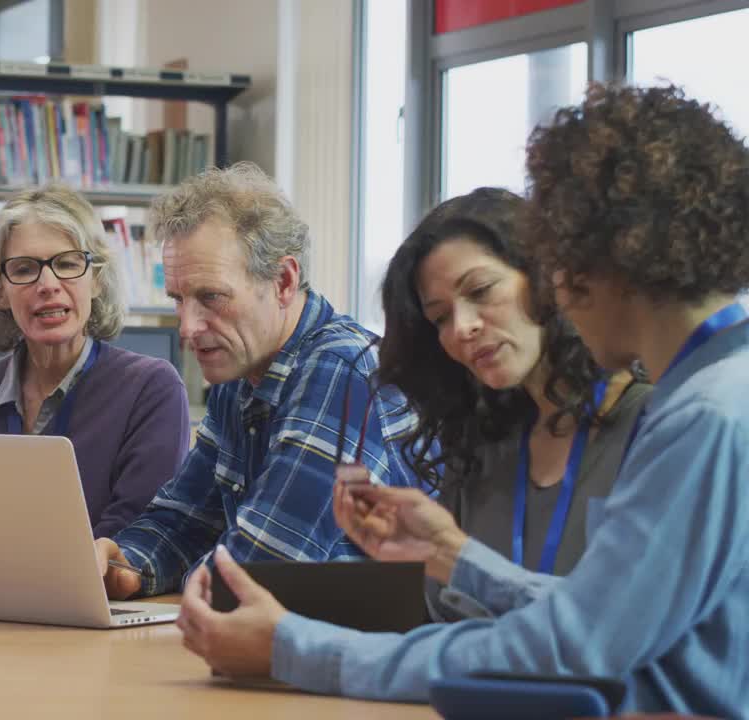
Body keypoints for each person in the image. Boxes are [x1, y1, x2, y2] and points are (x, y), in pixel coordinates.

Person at [175, 84, 749, 717]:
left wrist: (295, 648)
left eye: (558, 257)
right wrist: (454, 556)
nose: (557, 287)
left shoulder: (703, 416)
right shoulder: (716, 390)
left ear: (605, 253)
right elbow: (599, 615)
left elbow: (576, 645)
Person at [94, 162, 419, 599]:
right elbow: (186, 518)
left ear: (284, 281)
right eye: (179, 299)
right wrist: (124, 562)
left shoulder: (342, 369)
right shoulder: (242, 369)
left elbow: (261, 569)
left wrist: (195, 571)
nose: (188, 328)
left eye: (211, 297)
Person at [377, 187, 649, 619]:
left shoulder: (656, 422)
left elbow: (629, 622)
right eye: (440, 318)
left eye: (481, 291)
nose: (462, 328)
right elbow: (441, 618)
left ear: (545, 277)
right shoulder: (480, 445)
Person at [0, 183, 189, 538]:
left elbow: (137, 534)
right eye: (23, 269)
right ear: (0, 291)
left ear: (95, 280)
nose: (48, 284)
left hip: (97, 593)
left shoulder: (151, 389)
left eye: (67, 263)